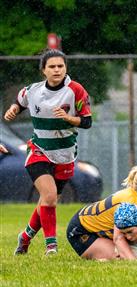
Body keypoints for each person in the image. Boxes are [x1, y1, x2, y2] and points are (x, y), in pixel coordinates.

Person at [4, 49, 92, 255]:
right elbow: (20, 101)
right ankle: (51, 246)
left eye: (60, 66)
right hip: (39, 150)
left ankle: (25, 237)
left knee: (47, 200)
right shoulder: (33, 90)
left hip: (65, 154)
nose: (57, 70)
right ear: (43, 70)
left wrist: (70, 119)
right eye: (52, 66)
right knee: (50, 196)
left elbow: (87, 121)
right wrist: (14, 109)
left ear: (66, 68)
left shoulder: (76, 90)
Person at [66, 163, 137, 260]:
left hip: (103, 233)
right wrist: (133, 263)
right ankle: (100, 259)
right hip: (81, 231)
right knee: (128, 256)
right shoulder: (129, 203)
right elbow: (118, 238)